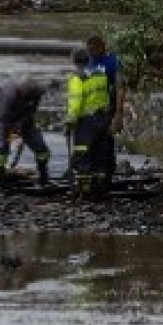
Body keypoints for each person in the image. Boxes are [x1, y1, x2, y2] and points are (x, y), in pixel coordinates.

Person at [65, 47, 112, 200]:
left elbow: (76, 102)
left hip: (85, 121)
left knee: (82, 154)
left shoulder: (77, 78)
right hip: (103, 119)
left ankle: (85, 191)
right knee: (100, 153)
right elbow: (107, 95)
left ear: (74, 61)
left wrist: (69, 122)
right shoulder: (101, 74)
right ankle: (101, 188)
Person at [0, 78, 51, 185]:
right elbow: (2, 120)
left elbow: (33, 110)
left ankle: (43, 177)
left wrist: (22, 122)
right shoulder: (9, 96)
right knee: (2, 149)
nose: (34, 99)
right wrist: (3, 139)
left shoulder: (36, 93)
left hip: (25, 119)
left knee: (42, 148)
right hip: (5, 119)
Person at [84, 34, 122, 184]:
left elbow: (120, 88)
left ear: (102, 47)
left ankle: (106, 173)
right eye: (89, 50)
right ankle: (93, 174)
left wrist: (118, 114)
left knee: (105, 141)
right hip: (89, 110)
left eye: (93, 50)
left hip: (107, 107)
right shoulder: (88, 61)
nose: (91, 53)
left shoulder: (112, 62)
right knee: (90, 143)